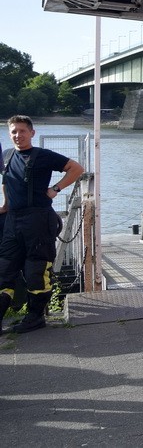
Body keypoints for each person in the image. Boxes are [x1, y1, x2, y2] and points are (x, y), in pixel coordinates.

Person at [0, 115, 84, 334]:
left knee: (36, 270)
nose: (18, 135)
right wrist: (6, 205)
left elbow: (76, 169)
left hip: (38, 220)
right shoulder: (7, 156)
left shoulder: (43, 156)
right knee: (5, 270)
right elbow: (6, 183)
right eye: (14, 132)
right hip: (13, 221)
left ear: (32, 133)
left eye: (22, 131)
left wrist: (55, 189)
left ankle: (35, 317)